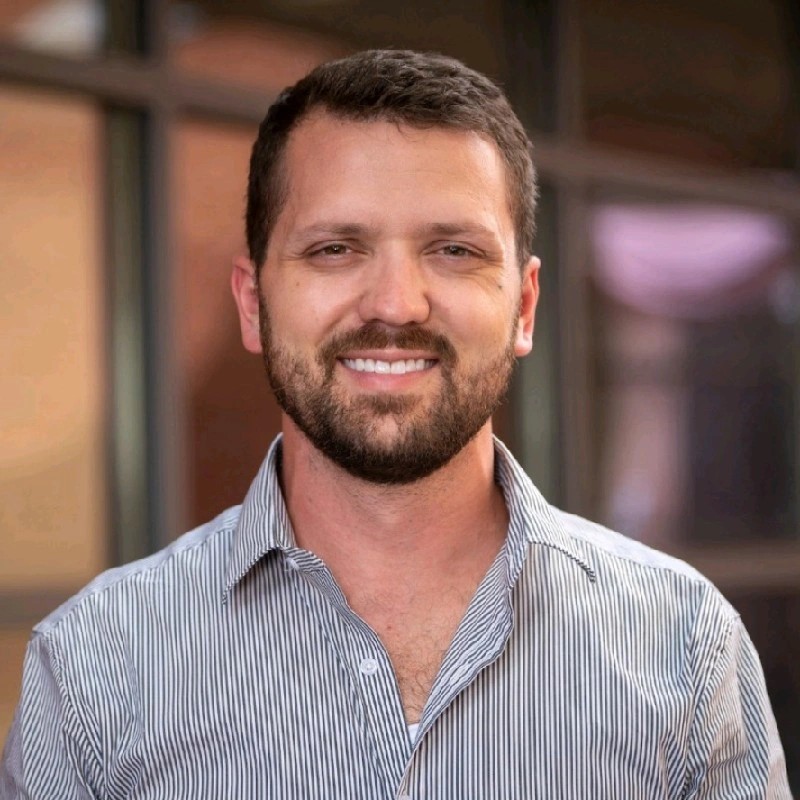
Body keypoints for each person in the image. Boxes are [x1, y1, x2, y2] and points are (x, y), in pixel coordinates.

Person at [0, 50, 791, 800]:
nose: (396, 304)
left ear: (523, 307)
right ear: (252, 303)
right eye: (335, 248)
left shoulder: (686, 646)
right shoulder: (95, 665)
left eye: (453, 250)